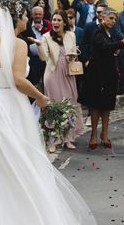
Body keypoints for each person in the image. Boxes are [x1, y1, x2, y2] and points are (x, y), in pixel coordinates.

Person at [0, 0, 96, 224]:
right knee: (16, 159)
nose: (28, 19)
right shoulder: (18, 43)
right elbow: (18, 80)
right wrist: (41, 98)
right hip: (2, 105)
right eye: (25, 16)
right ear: (17, 19)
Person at [78, 8, 124, 150]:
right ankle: (94, 135)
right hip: (97, 74)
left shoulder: (110, 33)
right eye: (110, 18)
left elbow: (109, 48)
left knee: (107, 106)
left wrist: (117, 49)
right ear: (103, 18)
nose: (113, 21)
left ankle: (105, 134)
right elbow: (103, 46)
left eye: (115, 19)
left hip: (109, 74)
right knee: (95, 106)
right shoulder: (97, 31)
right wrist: (121, 44)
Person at [36, 9, 83, 152]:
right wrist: (39, 45)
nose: (55, 23)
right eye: (54, 20)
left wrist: (72, 56)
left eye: (58, 20)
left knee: (70, 102)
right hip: (52, 73)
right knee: (53, 106)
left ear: (64, 22)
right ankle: (52, 140)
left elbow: (74, 52)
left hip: (68, 72)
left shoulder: (71, 35)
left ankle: (68, 138)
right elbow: (44, 57)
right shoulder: (45, 37)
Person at [20, 6, 51, 87]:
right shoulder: (27, 24)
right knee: (33, 82)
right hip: (33, 59)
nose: (38, 16)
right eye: (36, 14)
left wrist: (42, 29)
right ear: (32, 15)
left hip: (46, 58)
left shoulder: (48, 25)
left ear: (43, 14)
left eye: (40, 14)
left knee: (46, 82)